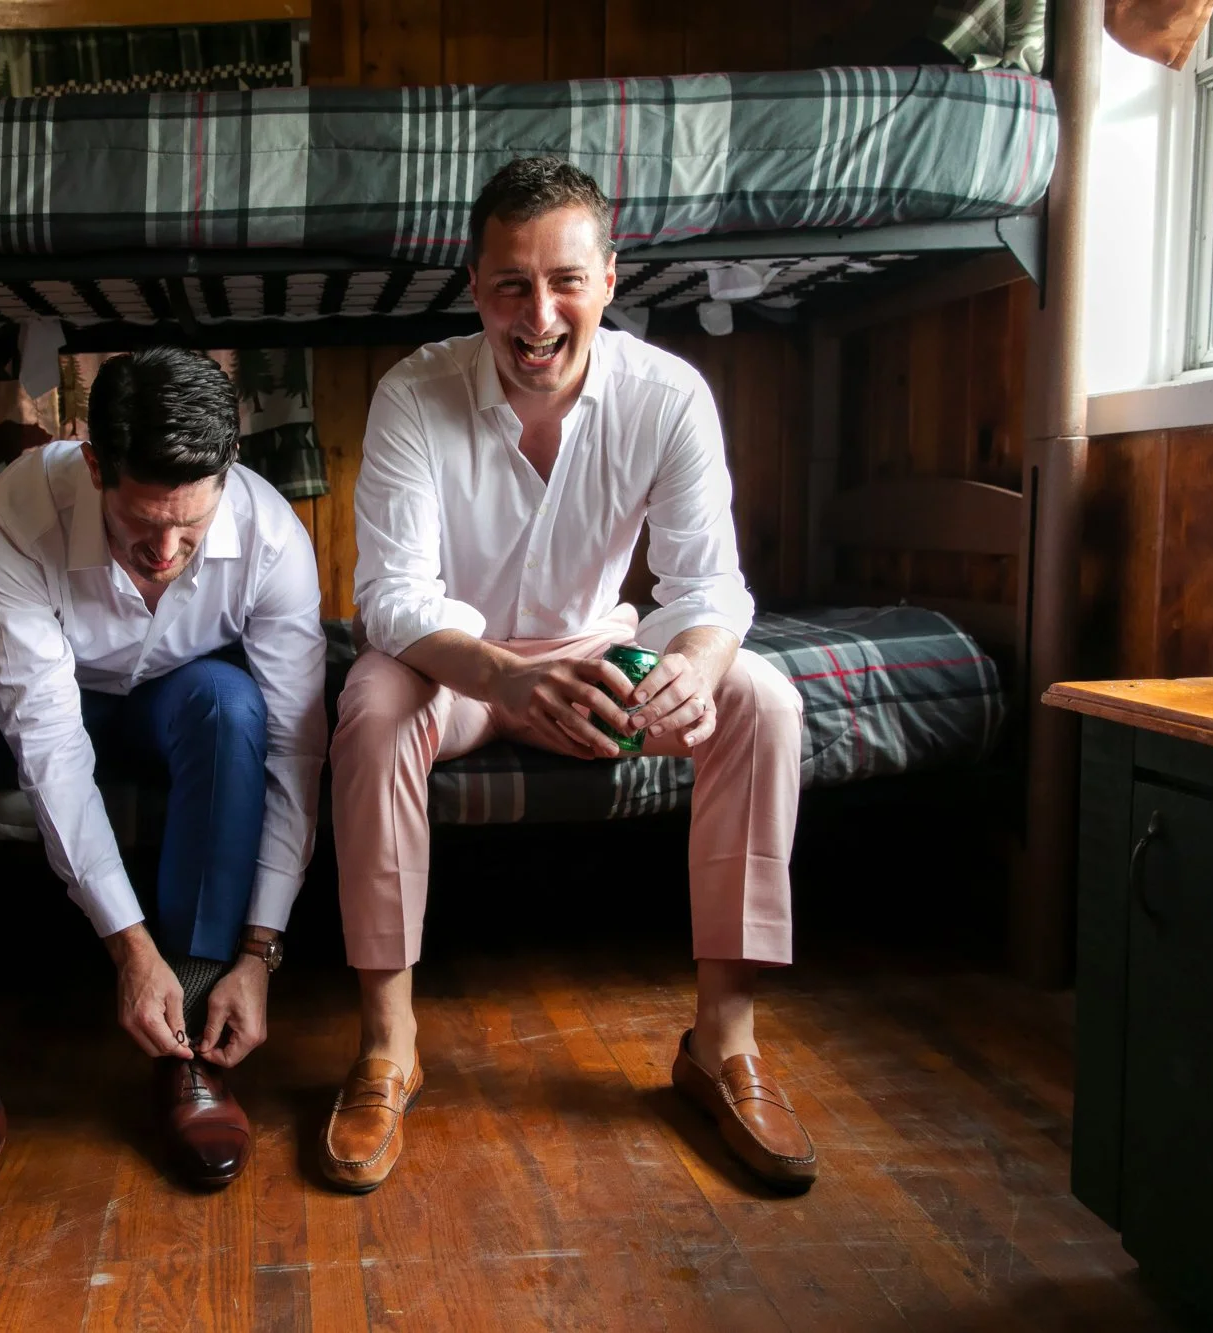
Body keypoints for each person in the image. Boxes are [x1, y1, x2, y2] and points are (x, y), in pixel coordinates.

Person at [319, 157, 815, 1196]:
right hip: (457, 666)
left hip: (595, 657)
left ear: (608, 281)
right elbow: (392, 600)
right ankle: (387, 1044)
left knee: (762, 699)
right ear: (474, 286)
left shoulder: (668, 395)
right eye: (510, 284)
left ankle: (721, 1043)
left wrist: (692, 667)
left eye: (565, 282)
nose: (537, 315)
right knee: (368, 706)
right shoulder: (412, 392)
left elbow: (707, 586)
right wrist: (502, 678)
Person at [0, 347, 327, 1280]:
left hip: (171, 702)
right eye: (142, 524)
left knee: (233, 706)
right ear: (93, 464)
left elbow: (293, 747)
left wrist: (259, 951)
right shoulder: (15, 511)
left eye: (190, 527)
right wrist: (127, 946)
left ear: (228, 474)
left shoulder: (271, 536)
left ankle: (191, 1051)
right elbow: (48, 742)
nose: (166, 553)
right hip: (41, 695)